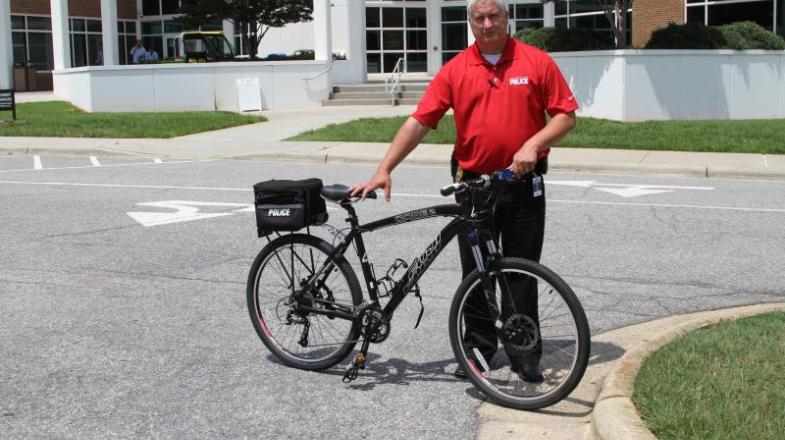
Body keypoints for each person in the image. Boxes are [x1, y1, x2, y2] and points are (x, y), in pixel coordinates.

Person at [349, 0, 578, 382]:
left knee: (520, 271)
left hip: (523, 185)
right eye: (479, 18)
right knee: (475, 272)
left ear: (507, 18)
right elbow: (420, 122)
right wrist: (384, 169)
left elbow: (565, 116)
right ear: (470, 22)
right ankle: (477, 351)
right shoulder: (456, 69)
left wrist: (533, 144)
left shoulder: (535, 61)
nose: (487, 24)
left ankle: (524, 354)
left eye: (494, 16)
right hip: (474, 186)